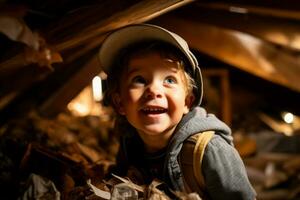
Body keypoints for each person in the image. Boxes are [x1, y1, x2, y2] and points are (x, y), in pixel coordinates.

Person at [98, 24, 256, 199]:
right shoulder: (130, 143)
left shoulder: (209, 151)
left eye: (169, 80)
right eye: (139, 79)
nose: (154, 90)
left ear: (188, 102)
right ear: (119, 103)